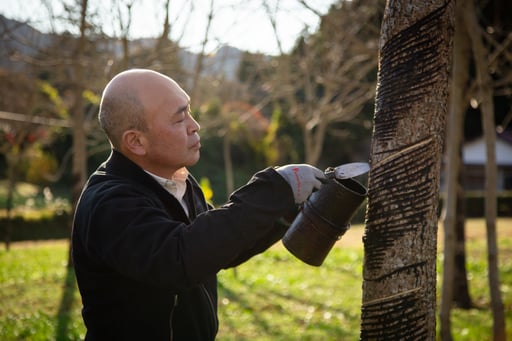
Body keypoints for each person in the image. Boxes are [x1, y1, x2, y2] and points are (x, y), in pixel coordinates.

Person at [72, 68, 325, 341]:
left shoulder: (178, 179)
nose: (195, 125)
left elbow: (216, 250)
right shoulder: (110, 203)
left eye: (190, 112)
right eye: (180, 119)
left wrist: (287, 209)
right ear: (136, 141)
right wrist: (274, 188)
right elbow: (182, 257)